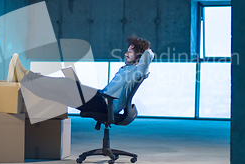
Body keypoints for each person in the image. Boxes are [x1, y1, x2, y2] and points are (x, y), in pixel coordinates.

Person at [12, 36, 154, 115]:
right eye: (127, 50)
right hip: (102, 97)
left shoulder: (137, 72)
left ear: (139, 55)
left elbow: (146, 61)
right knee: (59, 94)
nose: (126, 53)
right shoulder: (127, 68)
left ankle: (26, 75)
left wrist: (146, 49)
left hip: (106, 105)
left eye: (130, 51)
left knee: (66, 83)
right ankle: (24, 79)